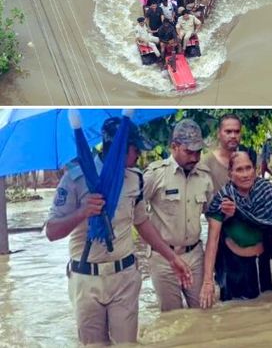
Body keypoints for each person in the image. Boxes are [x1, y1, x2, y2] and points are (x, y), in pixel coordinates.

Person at [45, 118, 192, 345]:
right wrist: (83, 212)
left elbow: (142, 223)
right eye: (135, 149)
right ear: (120, 148)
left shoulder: (135, 179)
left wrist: (172, 258)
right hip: (86, 279)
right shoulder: (76, 178)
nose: (139, 156)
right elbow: (52, 232)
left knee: (126, 344)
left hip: (124, 277)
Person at [200, 152, 272, 308]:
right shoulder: (223, 198)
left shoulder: (265, 190)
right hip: (234, 268)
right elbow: (212, 240)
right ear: (230, 174)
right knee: (237, 313)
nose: (245, 174)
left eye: (248, 168)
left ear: (255, 169)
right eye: (239, 170)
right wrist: (207, 282)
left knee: (266, 310)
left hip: (262, 264)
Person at [143, 119, 215, 311]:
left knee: (203, 313)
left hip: (194, 256)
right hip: (163, 258)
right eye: (189, 152)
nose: (195, 157)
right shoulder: (155, 175)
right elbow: (136, 216)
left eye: (198, 152)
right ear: (174, 147)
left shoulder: (205, 177)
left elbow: (213, 216)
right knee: (171, 317)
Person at [197, 113, 241, 192]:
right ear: (218, 133)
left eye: (237, 132)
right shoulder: (205, 163)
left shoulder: (244, 161)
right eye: (228, 132)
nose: (233, 136)